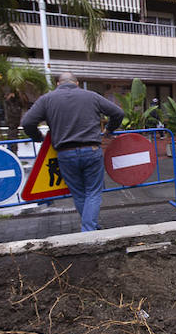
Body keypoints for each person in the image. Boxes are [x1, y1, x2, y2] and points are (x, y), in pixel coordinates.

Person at [22, 72, 124, 232]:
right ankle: (89, 230)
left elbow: (27, 122)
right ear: (77, 83)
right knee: (93, 192)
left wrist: (37, 137)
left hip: (65, 153)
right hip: (92, 150)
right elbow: (118, 113)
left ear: (58, 84)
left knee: (79, 193)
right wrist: (109, 130)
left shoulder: (47, 99)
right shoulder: (91, 96)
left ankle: (90, 227)